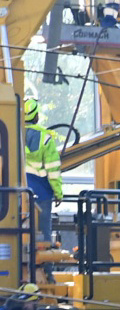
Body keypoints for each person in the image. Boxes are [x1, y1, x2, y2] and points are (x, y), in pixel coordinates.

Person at [22, 97, 62, 242]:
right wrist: (58, 193)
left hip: (14, 194)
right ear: (36, 116)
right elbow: (53, 169)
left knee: (17, 232)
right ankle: (45, 264)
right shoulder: (45, 138)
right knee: (43, 233)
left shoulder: (9, 134)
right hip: (41, 193)